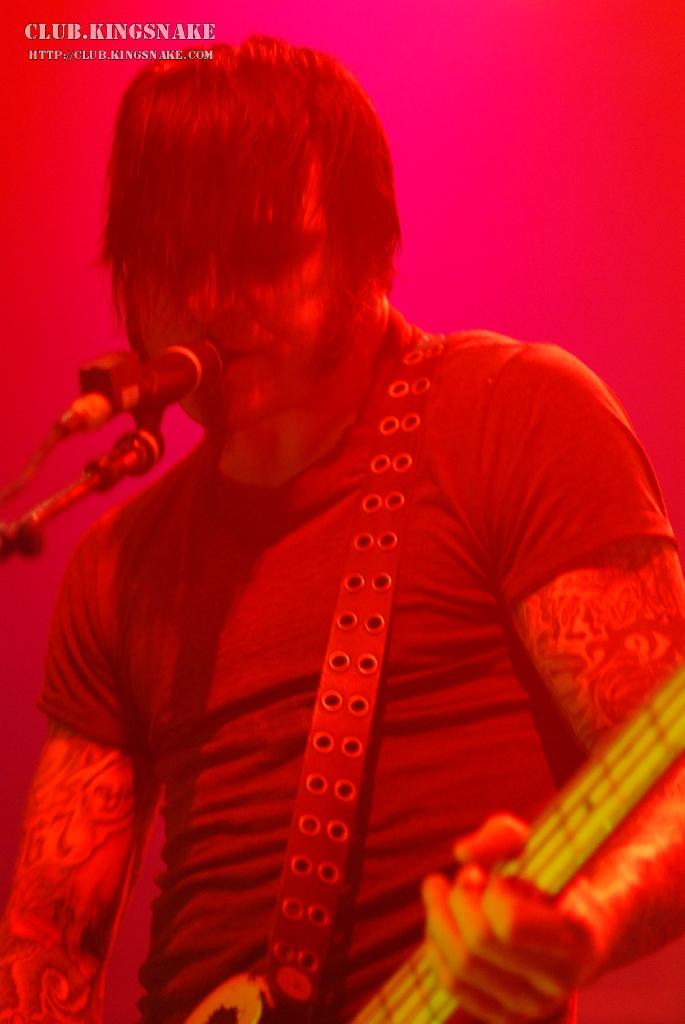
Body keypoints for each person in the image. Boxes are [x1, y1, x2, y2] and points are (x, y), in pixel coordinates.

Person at [1, 35, 685, 1024]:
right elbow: (50, 938)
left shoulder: (514, 417)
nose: (210, 299)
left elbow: (672, 766)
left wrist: (576, 921)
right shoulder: (118, 562)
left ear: (367, 248)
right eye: (174, 262)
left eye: (263, 252)